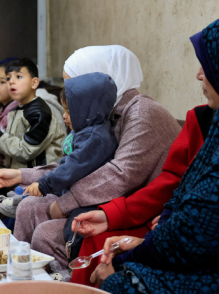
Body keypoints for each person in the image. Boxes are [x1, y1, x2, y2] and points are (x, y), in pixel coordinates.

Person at [0, 46, 181, 270]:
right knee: (30, 207)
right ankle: (20, 272)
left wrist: (65, 203)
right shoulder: (104, 113)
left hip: (141, 214)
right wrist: (22, 175)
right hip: (108, 200)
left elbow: (120, 175)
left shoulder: (142, 113)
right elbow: (74, 163)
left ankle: (55, 280)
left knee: (46, 233)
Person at [69, 32, 217, 286]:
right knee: (95, 238)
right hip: (169, 221)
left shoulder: (143, 112)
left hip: (182, 232)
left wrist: (71, 202)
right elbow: (173, 183)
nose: (198, 74)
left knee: (110, 261)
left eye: (205, 64)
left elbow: (122, 174)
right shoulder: (202, 119)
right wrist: (109, 215)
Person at [23, 72, 118, 198]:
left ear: (89, 110)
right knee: (24, 194)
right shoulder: (82, 128)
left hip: (85, 196)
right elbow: (65, 164)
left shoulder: (95, 138)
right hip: (66, 188)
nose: (64, 115)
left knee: (28, 205)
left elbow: (74, 166)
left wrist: (44, 184)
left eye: (69, 111)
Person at [0, 58, 65, 169]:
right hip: (19, 175)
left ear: (34, 83)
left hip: (39, 179)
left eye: (18, 77)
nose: (11, 82)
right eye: (9, 78)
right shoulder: (15, 111)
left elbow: (26, 151)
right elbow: (12, 150)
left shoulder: (40, 112)